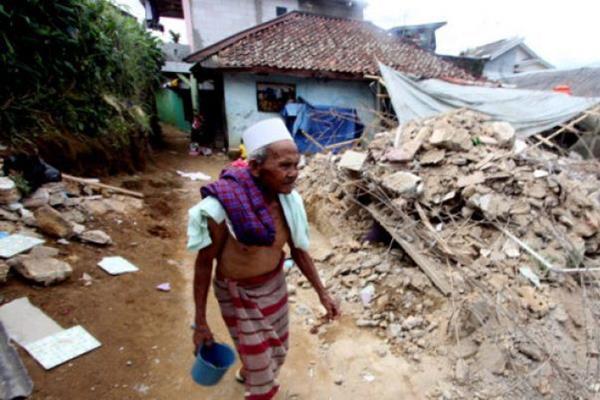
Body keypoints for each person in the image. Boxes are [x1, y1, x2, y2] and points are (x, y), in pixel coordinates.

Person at [187, 118, 340, 399]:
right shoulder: (224, 207)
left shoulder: (289, 200)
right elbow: (203, 263)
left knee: (277, 350)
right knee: (262, 370)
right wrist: (200, 322)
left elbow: (298, 250)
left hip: (275, 287)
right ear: (256, 167)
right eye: (284, 166)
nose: (294, 174)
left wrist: (323, 293)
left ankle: (248, 371)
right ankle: (257, 382)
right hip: (239, 295)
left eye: (296, 165)